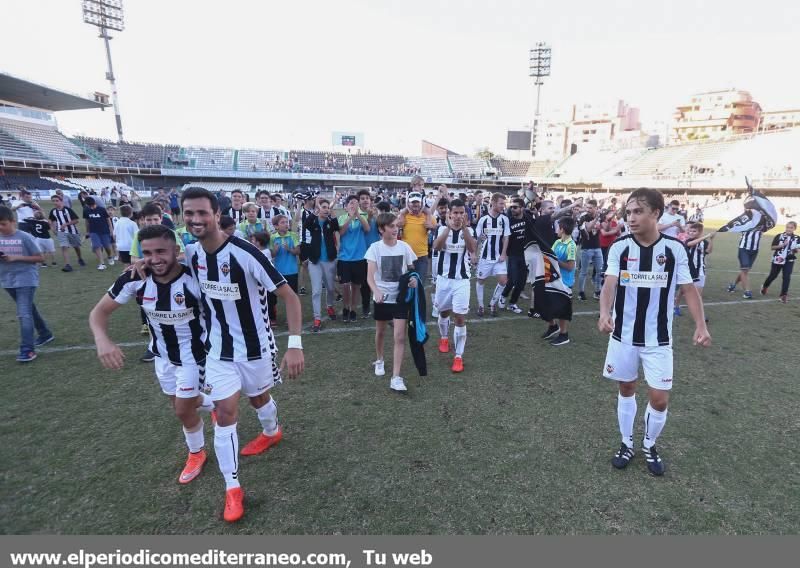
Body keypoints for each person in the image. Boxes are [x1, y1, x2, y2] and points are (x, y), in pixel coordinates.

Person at [180, 187, 304, 523]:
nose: (195, 219)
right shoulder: (191, 255)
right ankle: (232, 488)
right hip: (219, 349)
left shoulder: (247, 253)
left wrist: (295, 344)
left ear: (217, 215)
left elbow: (290, 297)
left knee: (259, 398)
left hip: (256, 347)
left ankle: (271, 431)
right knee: (224, 409)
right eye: (188, 213)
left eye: (202, 213)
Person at [89, 224, 215, 488]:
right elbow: (99, 313)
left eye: (161, 251)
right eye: (147, 252)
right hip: (162, 356)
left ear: (177, 251)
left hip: (195, 356)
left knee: (182, 410)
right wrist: (102, 340)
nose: (155, 259)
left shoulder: (195, 279)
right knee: (181, 403)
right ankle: (212, 403)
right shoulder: (135, 279)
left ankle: (196, 452)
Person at [598, 188, 711, 476]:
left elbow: (688, 289)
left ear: (656, 214)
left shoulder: (674, 249)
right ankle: (627, 442)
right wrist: (604, 313)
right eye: (629, 212)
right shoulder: (620, 247)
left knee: (660, 398)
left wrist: (701, 325)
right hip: (623, 335)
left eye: (638, 211)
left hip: (659, 339)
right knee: (626, 387)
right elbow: (610, 283)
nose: (631, 217)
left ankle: (649, 443)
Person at [365, 212, 418, 392]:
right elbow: (370, 277)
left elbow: (412, 271)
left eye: (396, 226)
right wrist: (376, 291)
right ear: (381, 229)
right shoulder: (374, 248)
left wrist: (413, 280)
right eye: (391, 226)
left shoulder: (404, 247)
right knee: (380, 332)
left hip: (400, 298)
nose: (396, 229)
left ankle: (396, 377)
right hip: (382, 298)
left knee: (400, 336)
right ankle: (379, 359)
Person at [0, 206, 53, 362]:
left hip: (26, 280)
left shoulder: (24, 237)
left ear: (13, 221)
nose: (0, 227)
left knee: (23, 314)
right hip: (7, 281)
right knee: (29, 309)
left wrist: (16, 258)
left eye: (3, 224)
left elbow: (40, 258)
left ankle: (27, 350)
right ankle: (45, 334)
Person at [432, 199, 477, 373]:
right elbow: (436, 247)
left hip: (462, 280)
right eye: (455, 213)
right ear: (449, 213)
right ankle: (444, 337)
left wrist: (464, 228)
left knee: (459, 317)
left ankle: (458, 356)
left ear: (464, 214)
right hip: (444, 280)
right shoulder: (442, 229)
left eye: (461, 213)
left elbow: (473, 249)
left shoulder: (469, 230)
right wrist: (449, 228)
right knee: (444, 312)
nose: (458, 216)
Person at [304, 198, 340, 332]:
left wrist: (332, 212)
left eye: (327, 207)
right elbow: (306, 223)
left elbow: (337, 227)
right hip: (315, 261)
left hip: (329, 260)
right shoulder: (313, 221)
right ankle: (317, 318)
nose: (326, 209)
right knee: (316, 291)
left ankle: (329, 306)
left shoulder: (330, 222)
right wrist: (316, 210)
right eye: (323, 207)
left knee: (330, 288)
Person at [474, 193, 510, 316]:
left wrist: (504, 253)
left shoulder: (504, 219)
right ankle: (480, 306)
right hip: (485, 257)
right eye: (501, 203)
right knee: (480, 280)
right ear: (493, 203)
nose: (503, 206)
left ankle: (493, 303)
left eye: (504, 203)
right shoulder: (483, 219)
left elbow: (506, 238)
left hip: (499, 257)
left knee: (503, 281)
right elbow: (477, 238)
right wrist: (479, 240)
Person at [544, 216, 577, 346]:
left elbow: (570, 267)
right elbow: (550, 256)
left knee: (562, 310)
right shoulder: (557, 242)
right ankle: (553, 327)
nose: (556, 229)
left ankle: (564, 335)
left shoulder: (571, 245)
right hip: (553, 279)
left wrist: (554, 260)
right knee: (546, 304)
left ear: (562, 229)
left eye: (558, 227)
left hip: (565, 283)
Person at [337, 195, 370, 322]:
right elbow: (341, 232)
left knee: (356, 287)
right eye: (351, 203)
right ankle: (345, 308)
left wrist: (358, 215)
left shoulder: (363, 217)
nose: (354, 205)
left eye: (356, 203)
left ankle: (353, 310)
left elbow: (367, 229)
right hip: (345, 258)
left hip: (359, 258)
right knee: (345, 286)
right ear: (346, 206)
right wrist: (351, 217)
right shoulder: (342, 218)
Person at [397, 190, 435, 285]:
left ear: (421, 203)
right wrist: (398, 225)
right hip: (406, 256)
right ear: (408, 203)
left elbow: (436, 230)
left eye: (417, 202)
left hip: (421, 257)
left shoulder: (428, 216)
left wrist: (432, 227)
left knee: (419, 284)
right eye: (413, 202)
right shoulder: (403, 216)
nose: (415, 204)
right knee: (405, 285)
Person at [676, 222, 713, 317]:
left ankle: (700, 315)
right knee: (683, 290)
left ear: (700, 232)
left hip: (700, 270)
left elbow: (708, 251)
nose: (691, 233)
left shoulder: (704, 242)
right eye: (690, 231)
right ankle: (676, 305)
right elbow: (691, 244)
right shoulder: (687, 240)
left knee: (698, 295)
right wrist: (706, 236)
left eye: (694, 231)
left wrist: (711, 240)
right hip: (689, 270)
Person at [498, 197, 528, 314]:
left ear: (522, 208)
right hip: (513, 254)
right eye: (511, 207)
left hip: (526, 255)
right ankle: (503, 295)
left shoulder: (528, 219)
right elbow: (503, 238)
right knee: (513, 279)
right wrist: (503, 253)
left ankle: (512, 303)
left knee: (521, 282)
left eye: (515, 207)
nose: (512, 209)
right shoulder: (508, 221)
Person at [727, 205, 763, 299]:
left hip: (755, 250)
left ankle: (733, 285)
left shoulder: (762, 222)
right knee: (745, 270)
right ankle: (747, 291)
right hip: (744, 249)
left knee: (745, 270)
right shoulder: (744, 221)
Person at [761, 221, 799, 303]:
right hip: (778, 259)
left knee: (786, 277)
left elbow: (798, 249)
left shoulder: (797, 238)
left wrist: (795, 250)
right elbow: (772, 247)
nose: (789, 229)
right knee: (773, 275)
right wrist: (782, 245)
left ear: (794, 229)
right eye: (787, 227)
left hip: (789, 260)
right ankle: (765, 286)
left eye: (791, 228)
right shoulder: (779, 236)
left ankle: (783, 295)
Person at [48, 194, 85, 272]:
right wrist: (52, 228)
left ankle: (80, 258)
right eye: (53, 201)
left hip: (72, 231)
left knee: (76, 247)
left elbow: (76, 220)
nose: (55, 203)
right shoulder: (53, 211)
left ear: (61, 201)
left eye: (57, 201)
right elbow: (50, 219)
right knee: (64, 247)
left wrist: (66, 224)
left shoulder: (68, 210)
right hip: (61, 232)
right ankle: (68, 265)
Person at [577, 199, 603, 301]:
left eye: (590, 208)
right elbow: (588, 229)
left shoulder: (601, 217)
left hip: (597, 247)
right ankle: (581, 292)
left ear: (596, 208)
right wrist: (597, 219)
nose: (588, 209)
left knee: (599, 271)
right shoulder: (583, 218)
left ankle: (597, 291)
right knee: (583, 272)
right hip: (586, 248)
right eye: (587, 207)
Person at [82, 197, 115, 270]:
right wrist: (87, 231)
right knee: (96, 246)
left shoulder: (102, 209)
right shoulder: (86, 210)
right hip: (93, 231)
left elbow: (108, 219)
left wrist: (111, 230)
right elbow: (87, 221)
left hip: (104, 230)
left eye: (92, 205)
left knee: (107, 246)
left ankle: (110, 256)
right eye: (90, 206)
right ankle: (101, 263)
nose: (91, 207)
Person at [271, 215, 300, 293]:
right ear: (276, 226)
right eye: (282, 222)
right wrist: (275, 251)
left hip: (292, 271)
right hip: (279, 271)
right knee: (278, 295)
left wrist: (289, 249)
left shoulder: (293, 235)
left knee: (293, 294)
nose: (286, 224)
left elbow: (298, 252)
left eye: (287, 222)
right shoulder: (272, 237)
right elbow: (271, 255)